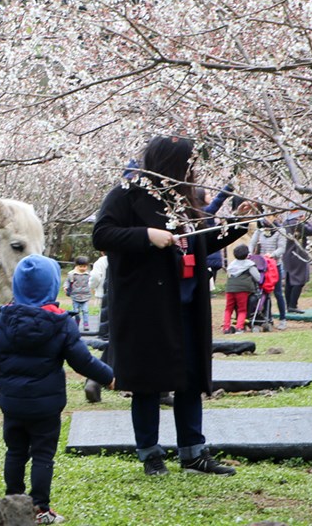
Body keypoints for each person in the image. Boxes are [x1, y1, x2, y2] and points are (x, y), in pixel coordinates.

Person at [93, 135, 251, 477]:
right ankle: (150, 453)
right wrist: (146, 236)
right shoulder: (128, 192)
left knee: (190, 378)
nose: (192, 169)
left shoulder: (186, 199)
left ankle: (193, 453)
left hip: (188, 303)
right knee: (148, 382)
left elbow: (201, 241)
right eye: (188, 162)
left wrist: (236, 224)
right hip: (146, 307)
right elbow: (101, 234)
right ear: (170, 163)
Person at [0, 254, 115, 525]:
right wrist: (109, 376)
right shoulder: (61, 323)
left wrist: (2, 372)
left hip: (12, 402)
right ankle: (40, 508)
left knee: (15, 452)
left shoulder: (0, 319)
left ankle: (11, 502)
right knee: (42, 455)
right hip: (46, 406)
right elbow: (82, 360)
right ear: (51, 287)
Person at [250, 213, 288, 329]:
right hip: (262, 266)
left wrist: (272, 255)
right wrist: (251, 254)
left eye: (270, 216)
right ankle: (268, 318)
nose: (266, 219)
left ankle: (282, 318)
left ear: (275, 217)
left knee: (277, 293)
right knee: (263, 293)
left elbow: (282, 248)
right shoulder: (260, 230)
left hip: (275, 266)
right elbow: (252, 243)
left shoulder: (280, 231)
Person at [282, 207, 312, 313]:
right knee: (299, 280)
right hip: (298, 254)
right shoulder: (298, 223)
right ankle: (293, 305)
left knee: (289, 280)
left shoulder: (285, 222)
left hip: (287, 254)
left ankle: (288, 305)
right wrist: (305, 221)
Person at [223, 244, 261, 334]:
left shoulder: (232, 264)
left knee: (228, 309)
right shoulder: (249, 264)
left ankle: (226, 327)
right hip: (243, 289)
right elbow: (258, 278)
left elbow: (228, 275)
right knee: (242, 309)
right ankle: (239, 327)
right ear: (247, 255)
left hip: (230, 288)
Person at [64, 256, 92, 330]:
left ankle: (86, 324)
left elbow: (92, 282)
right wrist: (65, 287)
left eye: (85, 266)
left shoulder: (89, 274)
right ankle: (77, 322)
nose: (83, 268)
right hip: (75, 295)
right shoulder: (72, 274)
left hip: (85, 295)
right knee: (76, 311)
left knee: (85, 310)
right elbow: (67, 281)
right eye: (81, 266)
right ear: (77, 266)